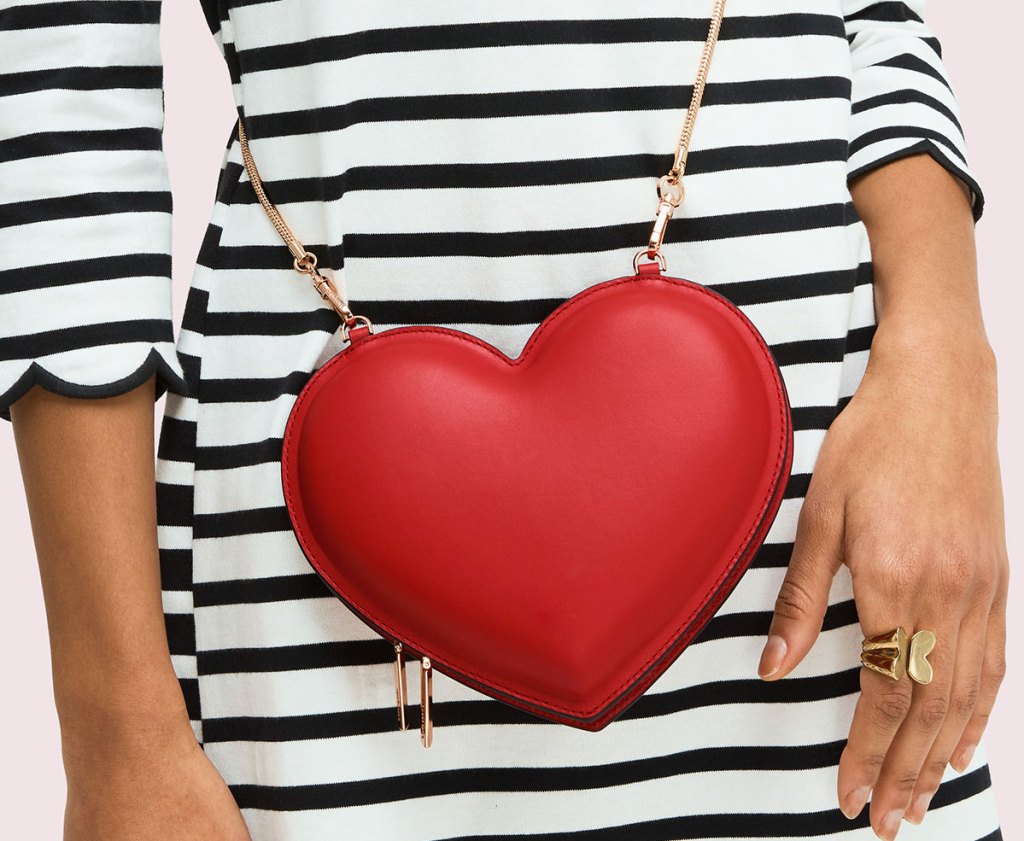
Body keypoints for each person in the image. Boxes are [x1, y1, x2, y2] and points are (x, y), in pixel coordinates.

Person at [0, 1, 1007, 839]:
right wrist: (114, 730)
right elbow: (53, 107)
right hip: (333, 577)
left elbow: (871, 19)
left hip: (830, 531)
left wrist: (944, 359)